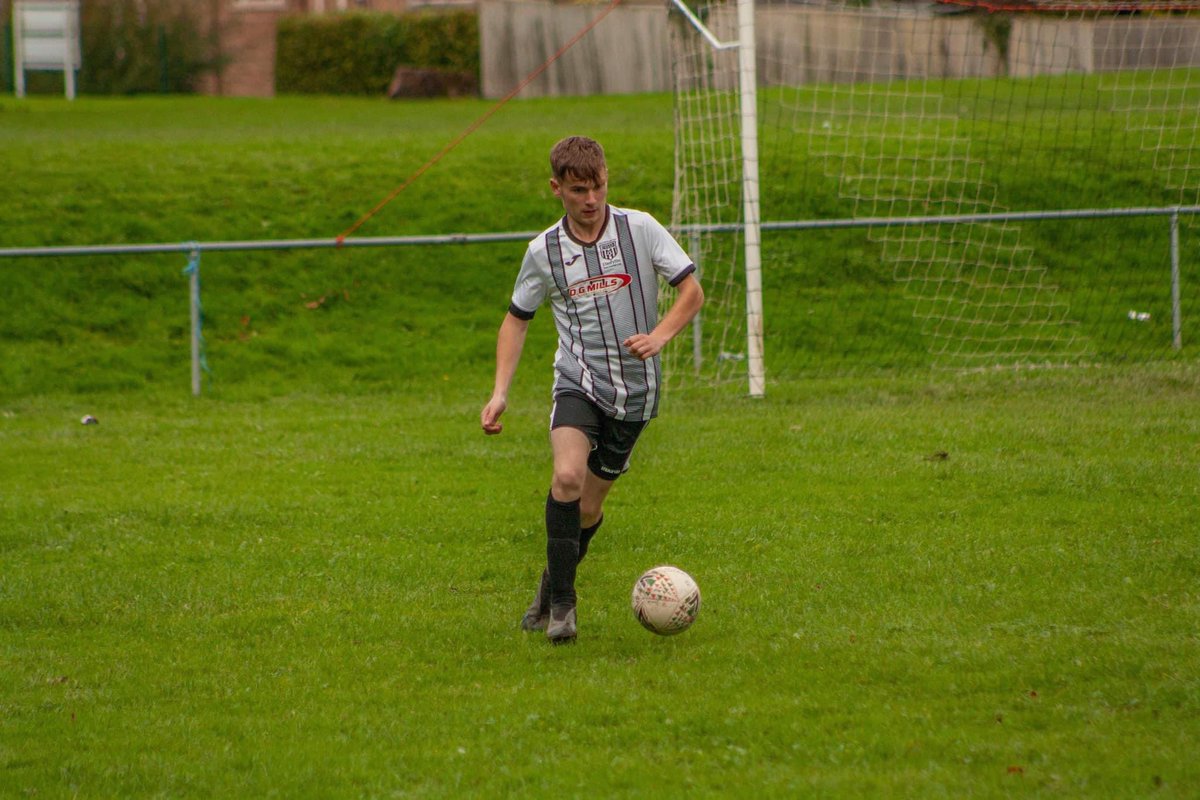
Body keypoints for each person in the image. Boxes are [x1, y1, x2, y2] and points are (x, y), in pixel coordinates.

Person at [480, 135, 704, 644]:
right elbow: (516, 320)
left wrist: (659, 336)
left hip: (637, 394)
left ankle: (548, 587)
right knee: (566, 478)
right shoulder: (544, 252)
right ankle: (564, 606)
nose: (591, 199)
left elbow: (691, 290)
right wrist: (500, 392)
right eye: (579, 189)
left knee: (586, 510)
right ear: (556, 188)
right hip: (577, 382)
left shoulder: (640, 229)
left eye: (598, 186)